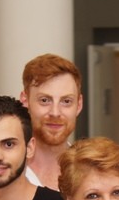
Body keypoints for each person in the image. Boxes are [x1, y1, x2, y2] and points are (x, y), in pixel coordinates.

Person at [20, 53, 83, 190]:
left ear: (78, 105)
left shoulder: (90, 172)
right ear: (25, 101)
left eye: (66, 101)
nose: (55, 113)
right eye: (44, 100)